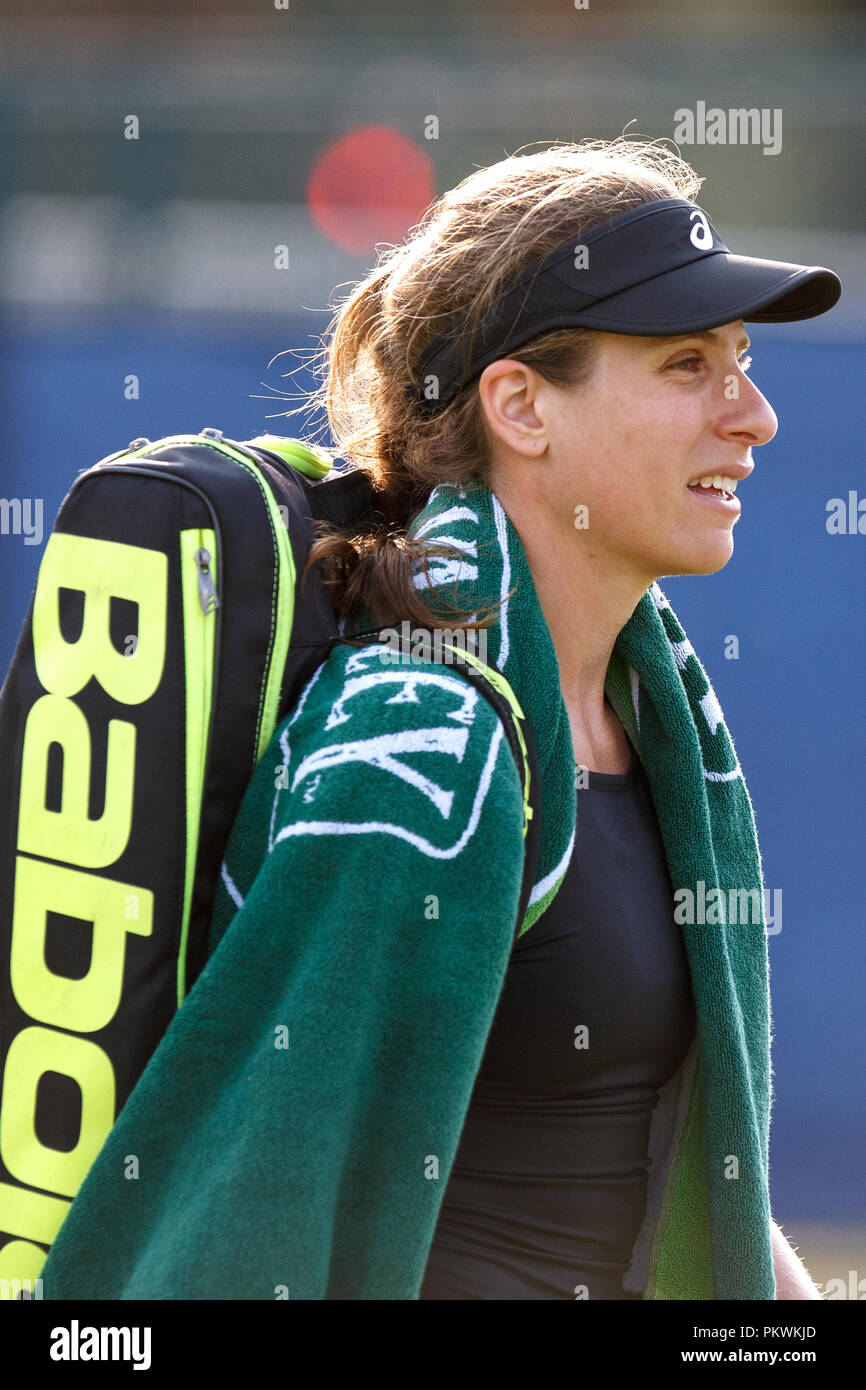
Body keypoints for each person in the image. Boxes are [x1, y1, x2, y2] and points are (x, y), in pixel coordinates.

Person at [39, 137, 839, 1301]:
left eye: (741, 358)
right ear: (520, 405)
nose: (753, 415)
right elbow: (256, 1193)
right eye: (684, 365)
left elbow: (642, 1166)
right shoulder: (417, 745)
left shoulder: (651, 709)